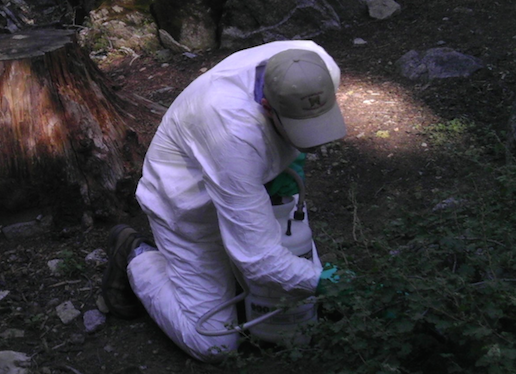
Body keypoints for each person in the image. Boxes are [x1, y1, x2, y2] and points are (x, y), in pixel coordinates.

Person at [101, 40, 347, 362]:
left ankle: (230, 270)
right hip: (186, 205)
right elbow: (259, 259)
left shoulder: (316, 65)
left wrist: (282, 164)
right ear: (267, 106)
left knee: (291, 284)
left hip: (245, 182)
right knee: (214, 345)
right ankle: (136, 255)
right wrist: (326, 284)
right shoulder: (231, 130)